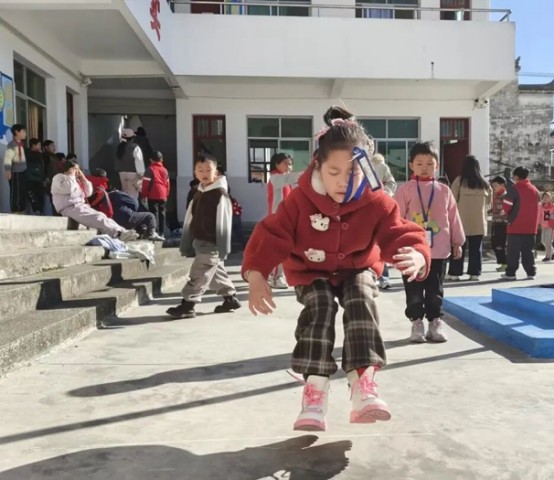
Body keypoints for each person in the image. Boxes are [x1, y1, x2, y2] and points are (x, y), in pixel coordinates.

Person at [242, 106, 430, 432]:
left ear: (366, 169)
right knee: (320, 304)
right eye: (333, 172)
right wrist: (256, 274)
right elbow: (271, 233)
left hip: (358, 267)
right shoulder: (300, 200)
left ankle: (363, 384)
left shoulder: (375, 201)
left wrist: (417, 254)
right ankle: (315, 390)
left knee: (361, 297)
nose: (343, 182)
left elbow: (397, 230)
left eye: (353, 173)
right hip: (310, 270)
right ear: (318, 166)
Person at [394, 142, 464, 343]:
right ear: (411, 166)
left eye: (429, 164)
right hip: (412, 251)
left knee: (435, 290)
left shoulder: (444, 190)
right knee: (414, 290)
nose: (424, 168)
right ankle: (416, 323)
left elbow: (453, 217)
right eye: (419, 164)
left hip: (439, 251)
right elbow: (396, 218)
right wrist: (394, 242)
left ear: (437, 165)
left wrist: (457, 242)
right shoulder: (405, 189)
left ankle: (435, 322)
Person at [167, 154, 241, 318]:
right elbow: (190, 218)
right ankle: (230, 299)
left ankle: (188, 304)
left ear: (216, 172)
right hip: (200, 240)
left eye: (208, 170)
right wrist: (187, 241)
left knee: (199, 273)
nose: (204, 173)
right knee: (215, 271)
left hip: (212, 242)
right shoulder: (198, 192)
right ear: (195, 172)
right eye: (200, 170)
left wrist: (223, 247)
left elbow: (224, 222)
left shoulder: (219, 194)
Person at [51, 160, 137, 241]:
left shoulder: (75, 180)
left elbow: (88, 192)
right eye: (75, 169)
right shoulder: (59, 177)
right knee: (97, 218)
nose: (77, 172)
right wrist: (71, 175)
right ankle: (118, 233)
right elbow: (68, 188)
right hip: (69, 207)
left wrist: (83, 178)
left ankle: (122, 231)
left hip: (79, 206)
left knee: (101, 216)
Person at [447, 155, 491, 281]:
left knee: (458, 247)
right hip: (479, 222)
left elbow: (452, 200)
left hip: (461, 221)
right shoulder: (485, 183)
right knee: (476, 249)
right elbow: (489, 203)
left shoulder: (459, 181)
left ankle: (455, 273)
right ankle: (475, 273)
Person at [266, 152, 302, 289]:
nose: (289, 166)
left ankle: (273, 274)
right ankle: (277, 276)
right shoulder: (275, 178)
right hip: (278, 219)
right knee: (280, 249)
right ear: (276, 164)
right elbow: (290, 178)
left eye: (290, 164)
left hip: (288, 219)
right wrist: (307, 173)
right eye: (285, 163)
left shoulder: (286, 179)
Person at [501, 166, 540, 280]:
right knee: (528, 251)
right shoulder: (534, 190)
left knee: (513, 252)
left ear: (516, 177)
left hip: (515, 225)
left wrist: (505, 213)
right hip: (531, 227)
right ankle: (530, 272)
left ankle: (511, 273)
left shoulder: (514, 189)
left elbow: (507, 205)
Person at [371, 153, 398, 290]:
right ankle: (375, 276)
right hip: (363, 207)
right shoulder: (353, 164)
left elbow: (391, 183)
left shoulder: (379, 166)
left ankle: (383, 277)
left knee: (379, 242)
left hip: (376, 207)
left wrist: (383, 194)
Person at [141, 150, 170, 237]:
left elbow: (145, 184)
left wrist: (144, 195)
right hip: (163, 195)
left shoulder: (149, 170)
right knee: (162, 213)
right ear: (161, 160)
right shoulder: (165, 170)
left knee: (154, 213)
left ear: (151, 160)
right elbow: (168, 184)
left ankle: (155, 232)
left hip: (153, 195)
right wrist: (166, 194)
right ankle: (162, 232)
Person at [3, 123, 28, 213]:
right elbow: (8, 158)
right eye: (23, 132)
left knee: (22, 191)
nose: (25, 134)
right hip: (15, 172)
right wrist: (8, 170)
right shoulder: (12, 144)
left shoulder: (22, 144)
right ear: (17, 132)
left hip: (23, 171)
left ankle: (21, 209)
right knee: (15, 192)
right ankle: (15, 210)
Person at [115, 128, 145, 198]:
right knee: (133, 197)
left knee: (125, 194)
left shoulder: (119, 147)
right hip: (133, 174)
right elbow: (139, 161)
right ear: (133, 137)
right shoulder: (135, 147)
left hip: (121, 174)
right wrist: (141, 174)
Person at [538, 192, 554, 262]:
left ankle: (548, 256)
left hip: (551, 226)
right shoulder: (541, 206)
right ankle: (553, 251)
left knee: (548, 241)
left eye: (547, 197)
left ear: (550, 198)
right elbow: (538, 214)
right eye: (544, 197)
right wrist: (538, 223)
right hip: (543, 225)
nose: (545, 198)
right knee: (543, 241)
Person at [490, 175, 508, 271]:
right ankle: (502, 262)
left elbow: (507, 209)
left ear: (502, 185)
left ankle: (505, 263)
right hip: (495, 222)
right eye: (493, 186)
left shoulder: (506, 196)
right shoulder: (496, 196)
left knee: (500, 244)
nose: (494, 188)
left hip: (502, 223)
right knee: (494, 243)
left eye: (496, 186)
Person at [24, 138, 46, 215]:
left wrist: (43, 178)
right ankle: (37, 212)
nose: (40, 147)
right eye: (39, 145)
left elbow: (41, 168)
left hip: (38, 180)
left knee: (40, 197)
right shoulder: (29, 154)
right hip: (31, 180)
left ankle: (39, 211)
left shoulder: (39, 155)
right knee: (34, 198)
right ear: (33, 145)